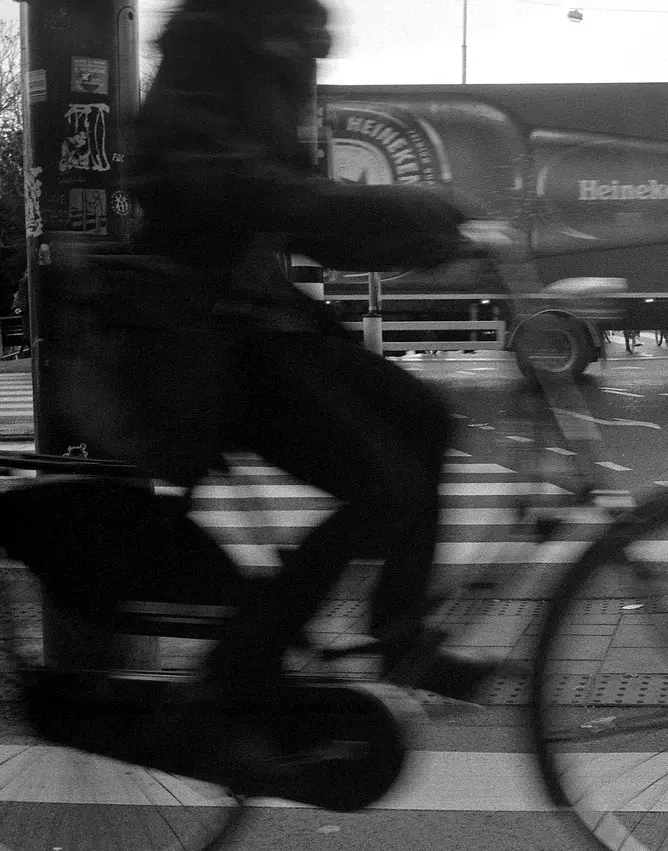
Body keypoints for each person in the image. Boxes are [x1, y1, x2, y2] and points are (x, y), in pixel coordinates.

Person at [51, 0, 511, 749]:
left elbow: (307, 220)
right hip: (202, 328)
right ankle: (232, 678)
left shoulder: (275, 57)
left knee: (424, 416)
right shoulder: (207, 47)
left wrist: (430, 239)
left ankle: (399, 634)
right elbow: (229, 184)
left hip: (255, 313)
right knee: (382, 485)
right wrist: (419, 206)